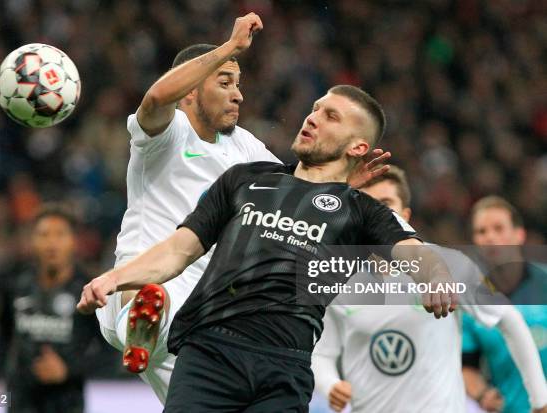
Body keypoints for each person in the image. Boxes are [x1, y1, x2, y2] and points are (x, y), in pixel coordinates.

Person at [78, 84, 458, 412]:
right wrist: (115, 277)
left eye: (331, 117)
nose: (312, 118)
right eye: (314, 109)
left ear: (358, 145)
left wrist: (435, 275)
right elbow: (180, 249)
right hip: (210, 353)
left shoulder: (359, 210)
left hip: (285, 367)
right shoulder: (245, 179)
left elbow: (411, 248)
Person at [94, 12, 390, 404]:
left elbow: (294, 188)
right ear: (190, 91)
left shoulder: (245, 148)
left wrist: (341, 182)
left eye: (239, 83)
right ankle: (143, 319)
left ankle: (148, 328)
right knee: (154, 299)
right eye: (225, 82)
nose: (238, 94)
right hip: (143, 275)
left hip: (206, 307)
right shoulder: (166, 136)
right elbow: (155, 99)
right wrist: (230, 47)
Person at [311, 167, 547, 413]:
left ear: (405, 215)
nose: (375, 214)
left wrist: (540, 400)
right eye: (367, 205)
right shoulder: (338, 278)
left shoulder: (449, 264)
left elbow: (509, 319)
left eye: (385, 204)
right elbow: (322, 353)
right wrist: (330, 385)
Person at [0, 204, 104, 413]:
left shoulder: (89, 289)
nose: (52, 243)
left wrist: (68, 369)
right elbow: (3, 335)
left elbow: (107, 350)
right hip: (21, 398)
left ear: (73, 242)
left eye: (60, 235)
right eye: (44, 235)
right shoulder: (16, 284)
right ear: (32, 241)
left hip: (67, 401)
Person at [462, 196, 547, 413]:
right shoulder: (471, 300)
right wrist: (482, 394)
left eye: (498, 228)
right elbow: (467, 366)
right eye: (481, 232)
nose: (490, 237)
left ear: (519, 234)